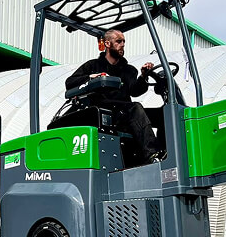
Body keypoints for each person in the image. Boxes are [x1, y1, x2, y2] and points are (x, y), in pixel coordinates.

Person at [65, 29, 164, 164]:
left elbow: (135, 91)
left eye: (123, 41)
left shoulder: (129, 70)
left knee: (163, 114)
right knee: (136, 108)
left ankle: (166, 153)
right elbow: (69, 83)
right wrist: (90, 77)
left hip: (125, 112)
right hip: (105, 112)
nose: (122, 44)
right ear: (107, 44)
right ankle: (152, 154)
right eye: (118, 41)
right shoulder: (93, 66)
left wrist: (143, 76)